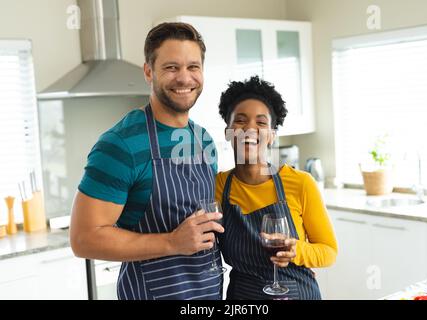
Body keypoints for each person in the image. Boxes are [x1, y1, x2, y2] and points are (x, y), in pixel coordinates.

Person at [70, 22, 224, 300]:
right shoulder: (120, 144)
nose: (184, 78)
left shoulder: (204, 140)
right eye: (171, 67)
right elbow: (84, 239)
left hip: (208, 294)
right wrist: (171, 242)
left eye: (193, 67)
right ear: (148, 71)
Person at [215, 76, 338, 300]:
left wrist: (296, 251)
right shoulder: (218, 186)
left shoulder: (301, 183)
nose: (250, 129)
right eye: (240, 120)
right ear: (227, 132)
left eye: (261, 123)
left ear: (272, 136)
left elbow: (329, 251)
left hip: (296, 292)